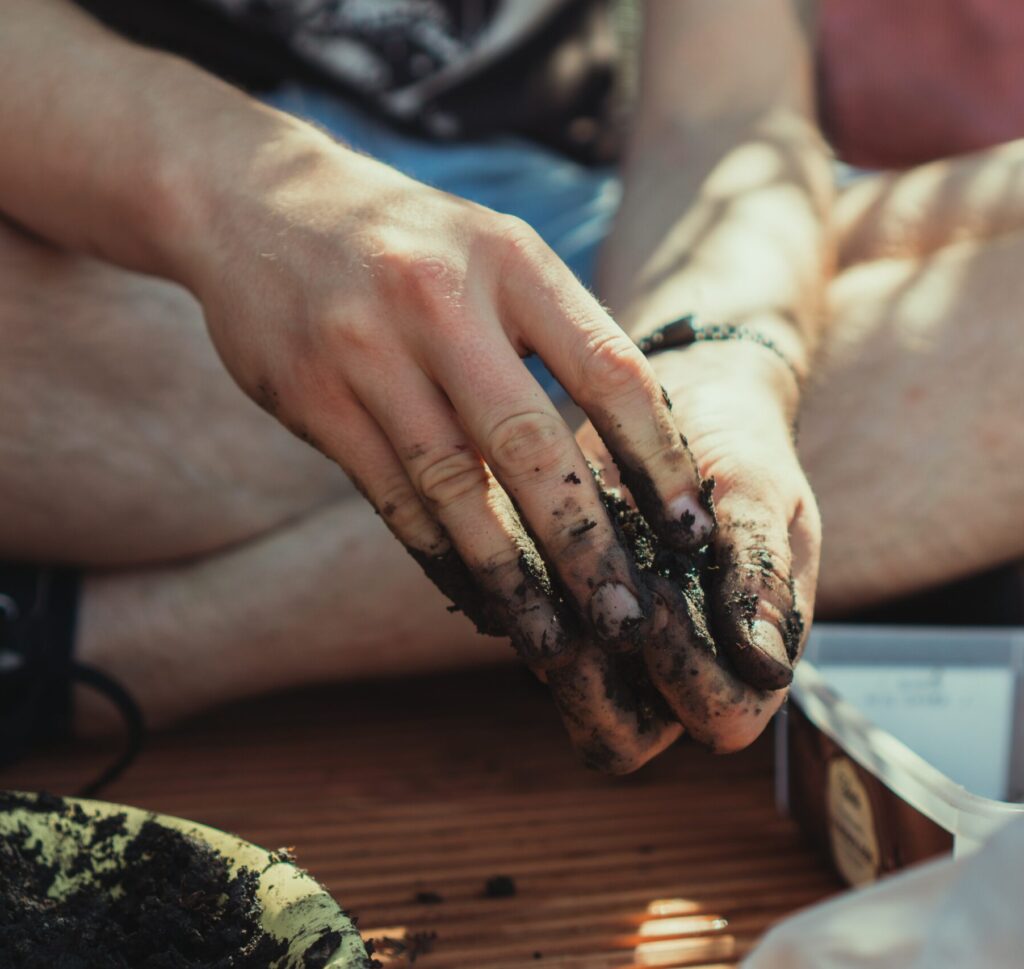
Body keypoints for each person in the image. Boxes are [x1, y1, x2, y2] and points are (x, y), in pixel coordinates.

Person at [0, 0, 1021, 778]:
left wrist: (714, 349)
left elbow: (723, 112)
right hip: (118, 198)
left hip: (571, 226)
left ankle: (110, 648)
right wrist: (241, 199)